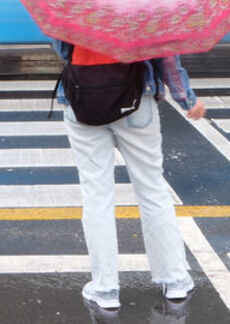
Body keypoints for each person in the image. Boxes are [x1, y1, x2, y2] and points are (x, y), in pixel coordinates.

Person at [50, 40, 206, 311]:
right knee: (153, 190)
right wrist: (186, 97)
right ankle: (175, 280)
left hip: (83, 96)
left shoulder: (71, 1)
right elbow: (165, 57)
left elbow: (65, 50)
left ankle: (105, 288)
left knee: (96, 194)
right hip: (137, 97)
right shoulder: (144, 1)